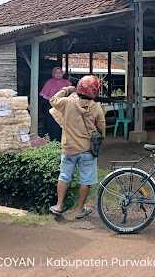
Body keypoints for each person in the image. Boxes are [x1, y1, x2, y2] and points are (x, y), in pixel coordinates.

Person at [48, 75, 106, 219]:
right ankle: (79, 209)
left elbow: (52, 100)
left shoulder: (67, 102)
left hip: (69, 149)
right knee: (86, 180)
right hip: (87, 150)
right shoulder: (97, 108)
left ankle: (59, 206)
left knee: (64, 176)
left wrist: (66, 89)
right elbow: (102, 130)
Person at [39, 67, 71, 141]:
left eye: (60, 73)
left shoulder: (67, 83)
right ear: (53, 74)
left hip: (64, 107)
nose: (58, 74)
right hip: (52, 106)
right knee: (52, 124)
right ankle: (53, 140)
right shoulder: (49, 82)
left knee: (64, 123)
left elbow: (71, 95)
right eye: (56, 73)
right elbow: (45, 96)